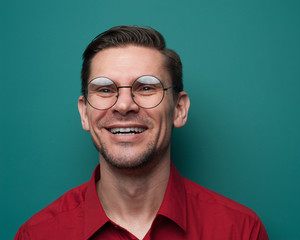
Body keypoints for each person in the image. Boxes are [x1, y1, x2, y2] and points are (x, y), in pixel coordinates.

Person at [15, 26, 268, 240]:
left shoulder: (240, 231)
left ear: (179, 109)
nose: (124, 105)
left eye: (146, 87)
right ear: (84, 113)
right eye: (104, 90)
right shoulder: (38, 234)